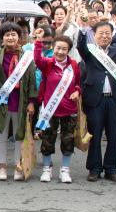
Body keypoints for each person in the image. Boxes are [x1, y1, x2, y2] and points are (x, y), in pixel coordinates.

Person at [76, 6, 116, 181]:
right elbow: (80, 46)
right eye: (100, 33)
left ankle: (112, 168)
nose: (104, 36)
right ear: (94, 36)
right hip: (95, 100)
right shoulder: (89, 51)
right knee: (95, 135)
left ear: (111, 35)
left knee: (114, 136)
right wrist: (82, 27)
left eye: (107, 33)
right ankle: (94, 169)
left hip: (114, 100)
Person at [0, 21, 37, 181]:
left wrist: (31, 102)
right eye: (7, 34)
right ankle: (1, 166)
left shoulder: (26, 56)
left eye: (13, 34)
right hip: (3, 101)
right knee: (1, 134)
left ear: (19, 37)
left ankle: (18, 166)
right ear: (3, 38)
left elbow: (32, 81)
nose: (10, 37)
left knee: (19, 135)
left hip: (20, 100)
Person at [32, 31, 81, 183]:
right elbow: (37, 59)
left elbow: (78, 83)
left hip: (69, 109)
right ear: (53, 48)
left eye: (64, 49)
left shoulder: (73, 65)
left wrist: (77, 91)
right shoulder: (47, 64)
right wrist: (38, 42)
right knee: (47, 140)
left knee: (68, 140)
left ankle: (65, 170)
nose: (60, 52)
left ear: (68, 50)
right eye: (58, 48)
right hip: (50, 110)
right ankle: (47, 169)